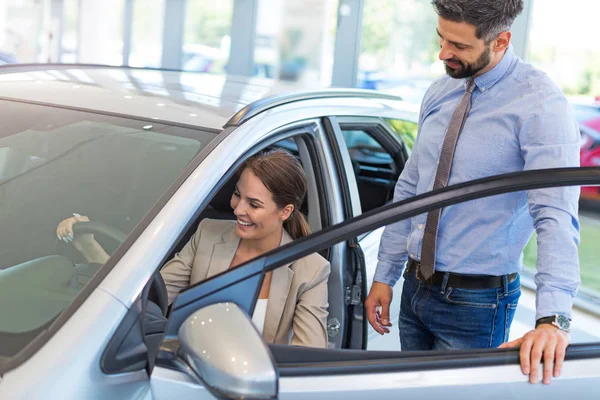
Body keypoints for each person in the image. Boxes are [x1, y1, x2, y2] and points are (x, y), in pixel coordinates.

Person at [365, 0, 580, 385]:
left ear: (501, 41)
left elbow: (556, 215)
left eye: (459, 46)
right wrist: (386, 274)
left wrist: (553, 319)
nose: (443, 53)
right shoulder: (440, 91)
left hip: (476, 304)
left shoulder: (541, 105)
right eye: (441, 38)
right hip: (415, 288)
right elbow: (412, 187)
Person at [57, 149, 330, 348]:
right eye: (237, 194)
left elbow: (308, 359)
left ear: (286, 211)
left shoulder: (311, 269)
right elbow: (145, 296)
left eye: (254, 204)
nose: (238, 209)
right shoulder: (208, 233)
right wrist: (89, 246)